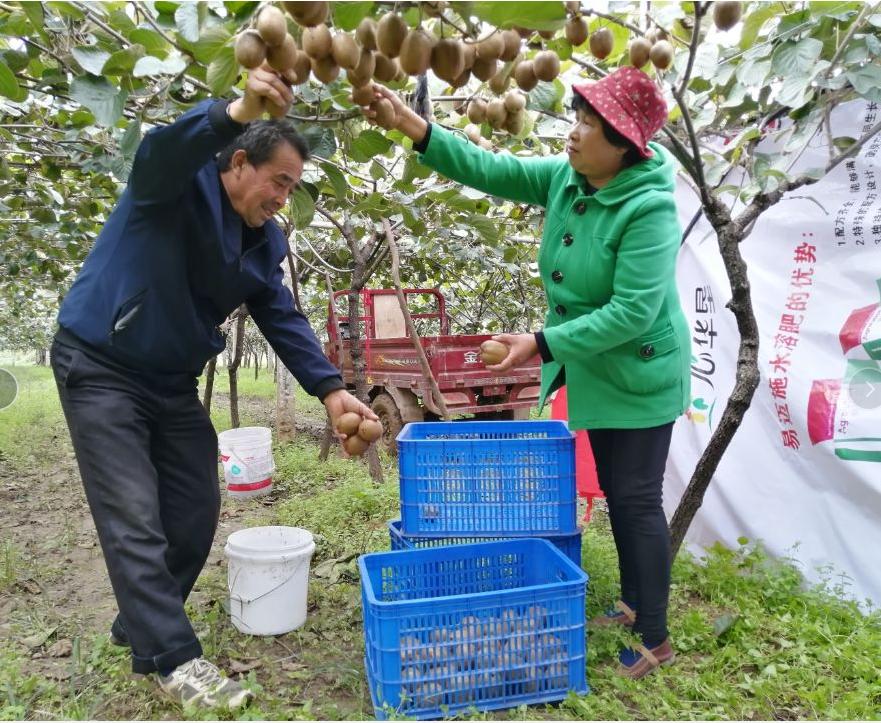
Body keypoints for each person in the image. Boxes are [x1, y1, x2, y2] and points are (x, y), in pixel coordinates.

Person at [51, 65, 376, 709]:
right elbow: (157, 153)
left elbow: (279, 314)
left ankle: (141, 622)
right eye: (278, 181)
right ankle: (173, 659)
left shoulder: (265, 241)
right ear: (237, 162)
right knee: (133, 516)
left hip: (170, 381)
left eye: (292, 187)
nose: (284, 197)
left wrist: (332, 390)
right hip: (102, 366)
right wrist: (232, 110)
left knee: (196, 511)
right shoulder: (175, 184)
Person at [359, 67, 689, 679]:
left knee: (638, 500)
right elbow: (496, 170)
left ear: (621, 144)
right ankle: (633, 605)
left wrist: (538, 342)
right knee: (619, 496)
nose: (573, 133)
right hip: (596, 363)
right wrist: (418, 129)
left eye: (588, 125)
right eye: (576, 119)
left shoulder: (649, 209)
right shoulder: (571, 176)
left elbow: (633, 312)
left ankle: (656, 635)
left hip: (639, 371)